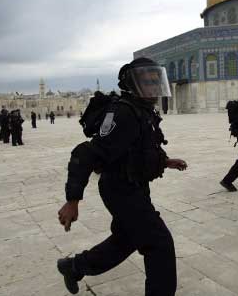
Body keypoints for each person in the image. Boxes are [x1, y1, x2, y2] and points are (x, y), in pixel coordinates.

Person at [56, 58, 187, 296]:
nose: (154, 88)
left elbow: (140, 149)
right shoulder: (123, 112)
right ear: (133, 85)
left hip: (134, 185)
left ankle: (74, 267)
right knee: (159, 244)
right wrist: (72, 200)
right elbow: (85, 153)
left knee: (126, 239)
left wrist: (165, 162)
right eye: (147, 83)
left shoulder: (143, 110)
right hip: (120, 189)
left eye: (156, 82)